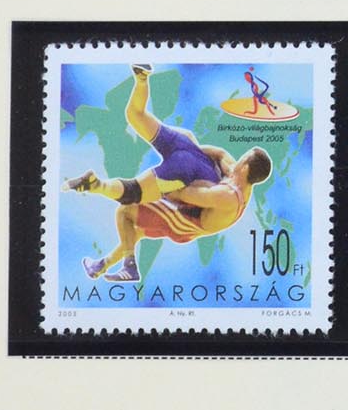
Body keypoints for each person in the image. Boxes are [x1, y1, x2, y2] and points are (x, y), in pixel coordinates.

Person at [67, 64, 272, 283]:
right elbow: (220, 153)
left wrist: (169, 182)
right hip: (188, 165)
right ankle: (116, 255)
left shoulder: (228, 196)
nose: (237, 160)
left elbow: (185, 195)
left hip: (185, 219)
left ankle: (110, 263)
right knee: (133, 212)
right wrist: (189, 153)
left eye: (242, 159)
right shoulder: (236, 177)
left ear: (246, 168)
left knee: (129, 213)